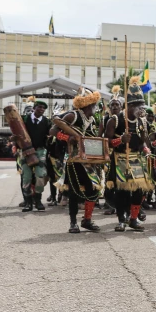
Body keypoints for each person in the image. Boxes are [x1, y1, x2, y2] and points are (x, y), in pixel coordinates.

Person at [52, 87, 103, 233]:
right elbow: (53, 130)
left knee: (93, 189)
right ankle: (73, 222)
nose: (96, 107)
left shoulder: (92, 119)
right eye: (94, 104)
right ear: (88, 104)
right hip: (74, 161)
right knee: (74, 192)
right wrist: (68, 138)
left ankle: (87, 220)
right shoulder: (73, 116)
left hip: (90, 161)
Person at [106, 78, 153, 232]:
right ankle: (121, 220)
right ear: (130, 105)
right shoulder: (115, 120)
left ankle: (133, 219)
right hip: (120, 158)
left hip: (137, 159)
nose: (141, 109)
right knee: (122, 192)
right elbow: (106, 142)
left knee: (139, 190)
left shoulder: (142, 121)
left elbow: (143, 142)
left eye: (142, 105)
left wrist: (146, 147)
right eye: (138, 106)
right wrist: (120, 140)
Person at [18, 97, 52, 212]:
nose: (41, 109)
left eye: (43, 108)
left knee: (41, 175)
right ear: (34, 108)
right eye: (39, 107)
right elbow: (17, 132)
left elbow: (49, 136)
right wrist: (15, 141)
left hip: (40, 151)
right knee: (26, 177)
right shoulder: (24, 119)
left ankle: (38, 200)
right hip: (26, 151)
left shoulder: (47, 122)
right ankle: (28, 202)